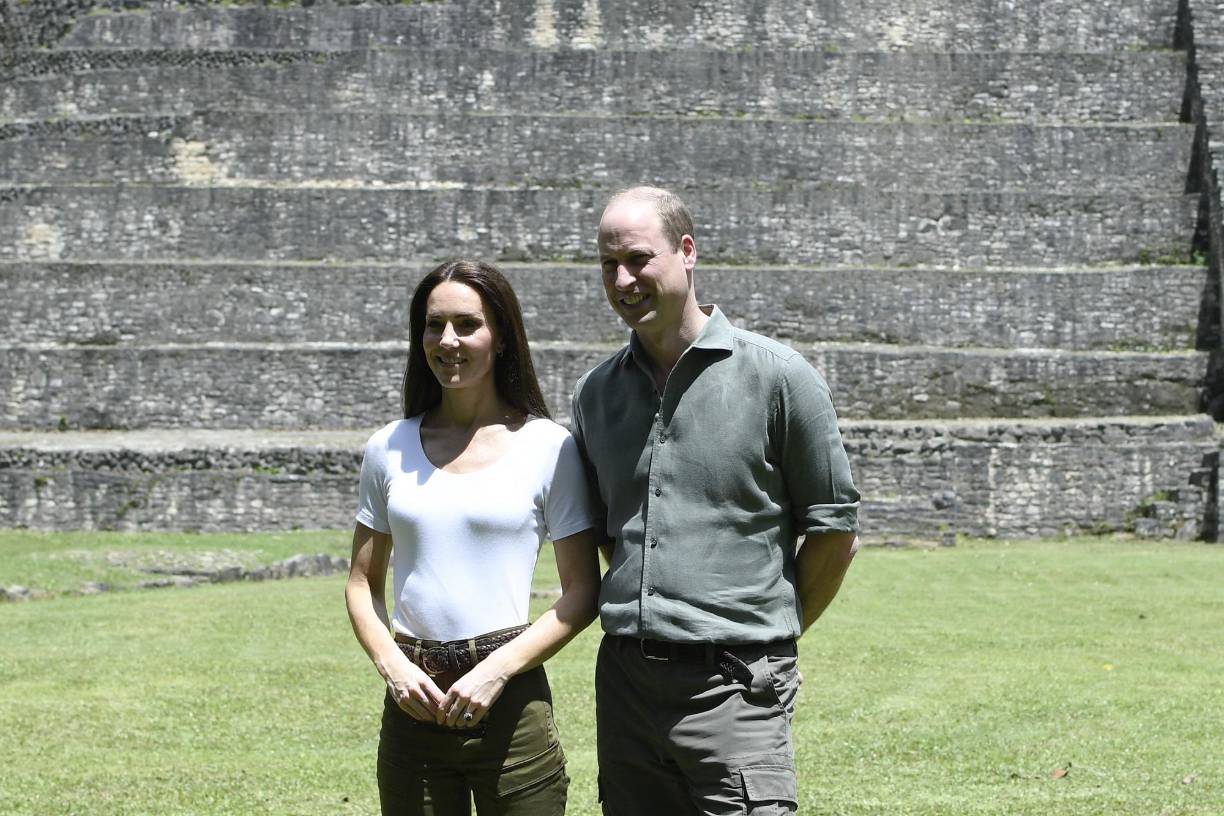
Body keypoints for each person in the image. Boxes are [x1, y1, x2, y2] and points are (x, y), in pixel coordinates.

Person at [570, 186, 861, 815]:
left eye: (639, 259)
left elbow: (835, 533)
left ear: (687, 251)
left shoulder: (780, 377)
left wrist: (768, 638)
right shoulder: (595, 395)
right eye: (608, 264)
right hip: (625, 688)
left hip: (737, 686)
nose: (622, 280)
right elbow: (611, 535)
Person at [345, 259, 600, 816]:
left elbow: (582, 591)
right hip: (413, 705)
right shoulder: (388, 447)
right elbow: (362, 583)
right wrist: (393, 666)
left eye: (467, 324)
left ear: (502, 337)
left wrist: (494, 671)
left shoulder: (548, 446)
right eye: (434, 325)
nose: (448, 341)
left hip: (511, 706)